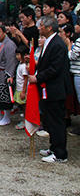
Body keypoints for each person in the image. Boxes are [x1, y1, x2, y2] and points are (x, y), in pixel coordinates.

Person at [28, 15, 73, 163]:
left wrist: (38, 77)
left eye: (41, 26)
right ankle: (53, 147)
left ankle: (60, 153)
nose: (39, 28)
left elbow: (55, 69)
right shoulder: (50, 42)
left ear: (49, 28)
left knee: (57, 121)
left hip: (56, 88)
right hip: (49, 88)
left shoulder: (57, 44)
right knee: (50, 120)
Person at [13, 45, 29, 130]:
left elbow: (25, 79)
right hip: (19, 88)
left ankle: (26, 122)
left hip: (23, 89)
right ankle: (25, 120)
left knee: (25, 106)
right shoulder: (20, 64)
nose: (17, 57)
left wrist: (23, 91)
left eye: (19, 54)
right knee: (23, 107)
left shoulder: (24, 66)